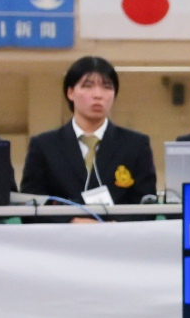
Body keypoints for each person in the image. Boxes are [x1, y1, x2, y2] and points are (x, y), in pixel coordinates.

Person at [22, 56, 156, 206]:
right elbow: (31, 203)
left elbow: (146, 204)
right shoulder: (44, 146)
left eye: (107, 87)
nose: (98, 95)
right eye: (87, 86)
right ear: (70, 92)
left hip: (116, 222)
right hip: (65, 222)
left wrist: (108, 220)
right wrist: (72, 218)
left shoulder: (135, 145)